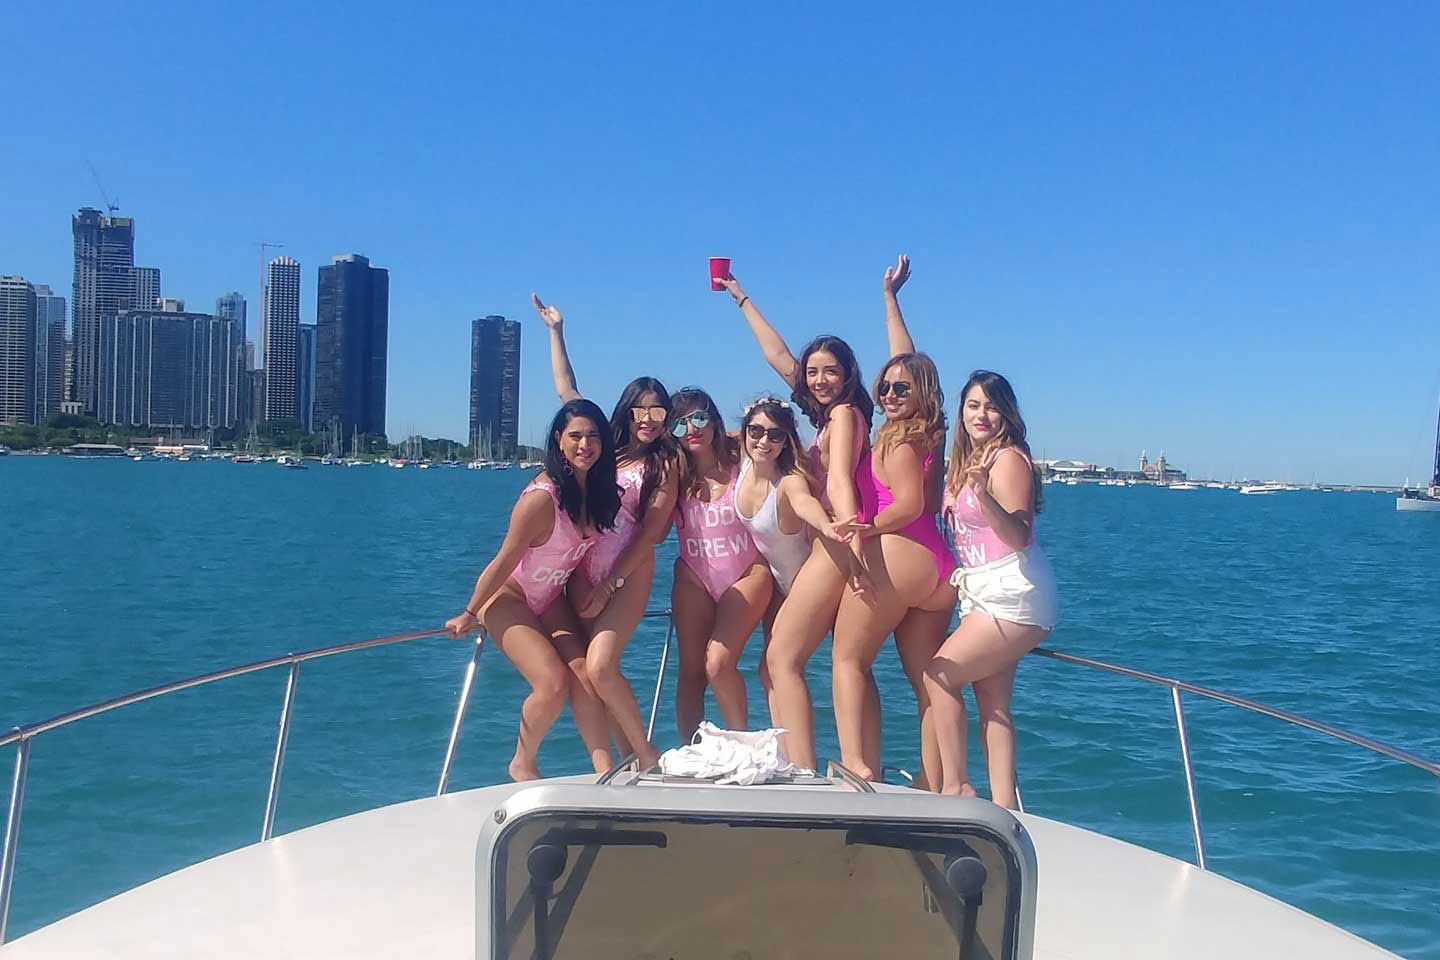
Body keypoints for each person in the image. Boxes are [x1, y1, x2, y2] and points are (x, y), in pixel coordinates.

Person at [718, 272, 873, 772]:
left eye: (831, 372)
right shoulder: (826, 415)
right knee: (800, 665)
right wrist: (740, 297)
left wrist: (846, 535)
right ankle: (834, 762)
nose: (819, 380)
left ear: (848, 374)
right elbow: (779, 355)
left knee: (782, 659)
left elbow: (840, 481)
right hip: (819, 545)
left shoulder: (843, 415)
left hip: (833, 540)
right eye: (813, 373)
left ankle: (803, 770)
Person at [444, 399, 623, 780]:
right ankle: (522, 762)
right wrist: (469, 612)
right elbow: (504, 560)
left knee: (585, 675)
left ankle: (605, 771)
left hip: (550, 597)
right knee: (552, 683)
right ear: (559, 440)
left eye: (594, 436)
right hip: (509, 596)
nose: (585, 444)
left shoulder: (596, 492)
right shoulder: (543, 499)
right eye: (575, 436)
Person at [831, 255, 956, 786]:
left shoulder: (897, 439)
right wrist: (890, 299)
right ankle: (934, 779)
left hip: (900, 554)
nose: (887, 395)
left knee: (847, 661)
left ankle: (855, 764)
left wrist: (868, 529)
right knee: (928, 682)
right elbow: (907, 363)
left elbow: (907, 503)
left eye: (899, 390)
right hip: (938, 568)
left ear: (920, 392)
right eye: (883, 388)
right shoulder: (931, 431)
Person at [534, 294, 671, 767]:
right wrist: (556, 331)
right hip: (581, 568)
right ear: (626, 411)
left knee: (601, 665)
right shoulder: (602, 445)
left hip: (627, 573)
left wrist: (611, 583)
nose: (648, 419)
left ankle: (646, 753)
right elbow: (566, 390)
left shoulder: (665, 464)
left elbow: (650, 533)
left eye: (659, 411)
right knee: (592, 676)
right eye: (640, 410)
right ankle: (622, 760)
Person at [923, 371, 1059, 807]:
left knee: (939, 675)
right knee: (993, 702)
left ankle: (956, 787)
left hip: (1013, 591)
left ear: (1007, 413)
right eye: (973, 405)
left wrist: (983, 496)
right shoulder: (969, 461)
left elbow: (1019, 535)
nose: (981, 414)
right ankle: (1005, 808)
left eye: (992, 406)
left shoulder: (1008, 460)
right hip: (982, 593)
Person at [734, 396, 849, 721]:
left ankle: (800, 753)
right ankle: (783, 746)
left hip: (806, 583)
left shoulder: (788, 482)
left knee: (781, 663)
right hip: (779, 585)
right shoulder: (744, 463)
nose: (764, 441)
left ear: (786, 440)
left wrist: (826, 524)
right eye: (756, 431)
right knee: (768, 671)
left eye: (775, 435)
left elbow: (803, 503)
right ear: (745, 432)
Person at [669, 387, 773, 741]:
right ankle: (690, 750)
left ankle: (740, 744)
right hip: (693, 576)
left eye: (699, 418)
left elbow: (771, 436)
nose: (691, 429)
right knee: (691, 673)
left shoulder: (742, 461)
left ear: (713, 418)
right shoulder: (673, 473)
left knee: (718, 663)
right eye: (680, 424)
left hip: (747, 574)